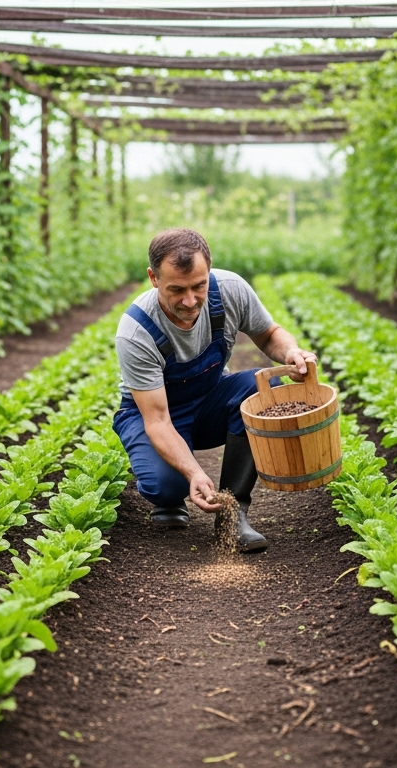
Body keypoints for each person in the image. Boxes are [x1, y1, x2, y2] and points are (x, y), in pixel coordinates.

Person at [112, 228, 318, 552]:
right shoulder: (136, 331)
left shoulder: (231, 290)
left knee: (261, 389)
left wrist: (291, 352)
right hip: (154, 414)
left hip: (210, 398)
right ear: (153, 278)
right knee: (168, 485)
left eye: (199, 286)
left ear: (209, 269)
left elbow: (268, 334)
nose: (191, 300)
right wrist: (194, 473)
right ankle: (167, 491)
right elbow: (158, 421)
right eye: (176, 290)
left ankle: (233, 517)